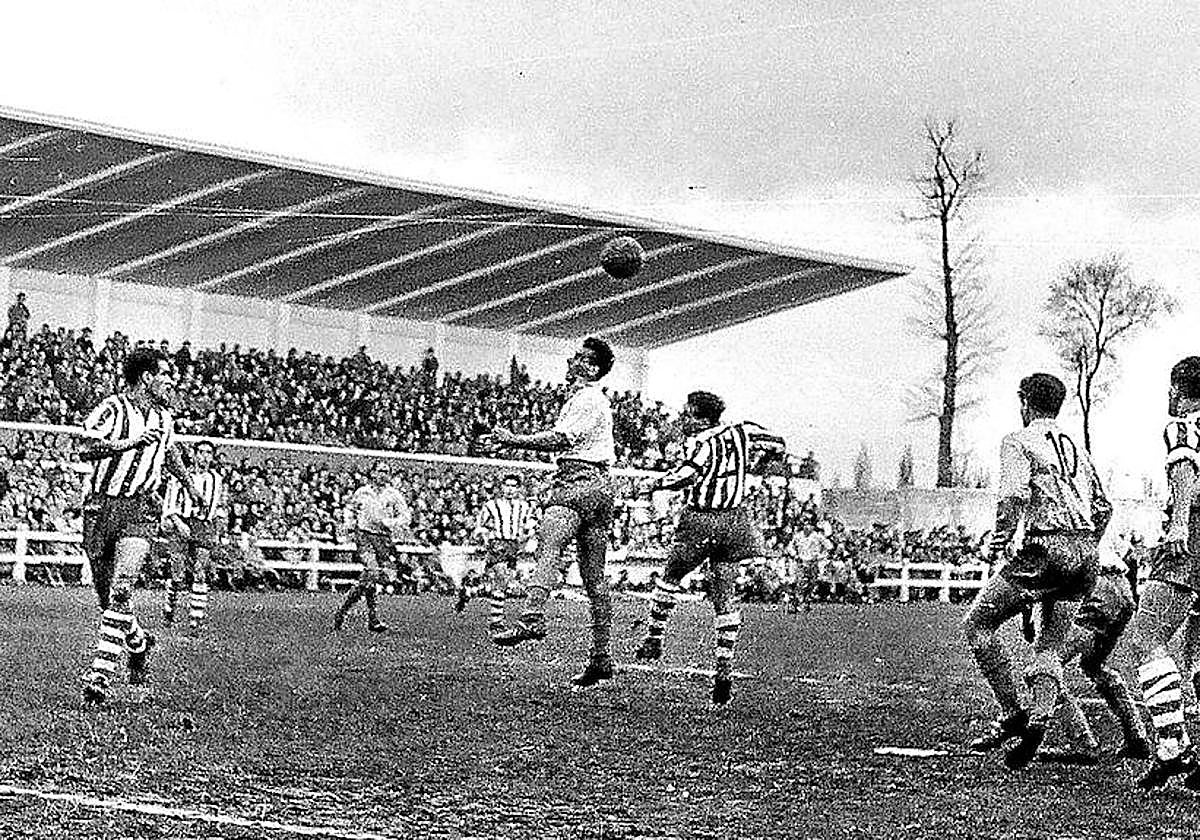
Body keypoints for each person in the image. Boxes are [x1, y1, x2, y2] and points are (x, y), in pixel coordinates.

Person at [963, 373, 1111, 769]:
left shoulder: (1018, 440)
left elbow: (1013, 494)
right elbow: (1104, 507)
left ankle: (1015, 712)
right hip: (1086, 553)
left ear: (1025, 402)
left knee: (977, 623)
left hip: (1047, 548)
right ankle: (1040, 718)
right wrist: (1085, 547)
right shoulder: (1078, 448)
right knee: (1049, 647)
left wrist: (1000, 539)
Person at [631, 390, 786, 705]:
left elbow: (686, 476)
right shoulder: (743, 430)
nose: (685, 417)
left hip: (702, 520)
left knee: (670, 576)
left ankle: (654, 637)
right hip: (736, 521)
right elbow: (778, 443)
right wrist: (761, 463)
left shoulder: (699, 442)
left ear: (700, 415)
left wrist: (654, 483)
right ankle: (724, 666)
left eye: (688, 412)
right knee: (724, 594)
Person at [483, 337, 617, 688]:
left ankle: (532, 617)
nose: (572, 360)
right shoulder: (587, 399)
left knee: (549, 543)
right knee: (594, 580)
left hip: (578, 482)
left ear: (591, 368)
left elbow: (562, 440)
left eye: (581, 357)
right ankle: (601, 657)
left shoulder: (588, 398)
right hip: (600, 488)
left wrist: (511, 439)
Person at [77, 347, 202, 705]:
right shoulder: (113, 408)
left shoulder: (164, 417)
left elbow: (169, 451)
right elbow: (85, 445)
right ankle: (139, 643)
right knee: (108, 599)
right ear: (147, 377)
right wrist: (127, 443)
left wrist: (189, 484)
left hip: (140, 511)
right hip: (101, 508)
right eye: (166, 376)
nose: (171, 383)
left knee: (122, 587)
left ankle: (99, 675)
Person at [1123, 356, 1200, 789]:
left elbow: (1186, 473)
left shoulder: (1183, 426)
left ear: (1176, 389)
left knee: (1144, 640)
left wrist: (1179, 523)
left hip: (1194, 537)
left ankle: (1173, 747)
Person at [1041, 547, 1149, 764]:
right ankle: (1136, 736)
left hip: (1096, 589)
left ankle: (1083, 744)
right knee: (1093, 666)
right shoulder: (1086, 523)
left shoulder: (1042, 529)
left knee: (1045, 667)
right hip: (1122, 587)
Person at [333, 462, 411, 633]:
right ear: (373, 473)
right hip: (364, 536)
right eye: (380, 471)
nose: (383, 474)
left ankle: (344, 611)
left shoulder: (393, 494)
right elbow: (350, 510)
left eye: (386, 471)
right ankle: (372, 618)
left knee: (372, 578)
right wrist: (349, 525)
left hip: (383, 538)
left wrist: (391, 523)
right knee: (372, 571)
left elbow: (406, 516)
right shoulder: (362, 492)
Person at [457, 474, 536, 638]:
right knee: (501, 579)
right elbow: (480, 526)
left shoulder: (524, 507)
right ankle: (496, 623)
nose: (509, 489)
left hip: (513, 546)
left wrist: (527, 535)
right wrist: (484, 537)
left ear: (518, 488)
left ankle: (470, 591)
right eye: (507, 485)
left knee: (502, 585)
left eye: (513, 486)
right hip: (497, 544)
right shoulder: (491, 505)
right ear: (502, 487)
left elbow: (530, 526)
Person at [161, 440, 223, 632]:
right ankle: (169, 609)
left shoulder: (216, 479)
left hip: (203, 526)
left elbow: (214, 508)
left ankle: (195, 621)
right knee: (177, 573)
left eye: (208, 453)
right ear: (194, 455)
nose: (204, 457)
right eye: (201, 452)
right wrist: (179, 524)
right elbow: (169, 505)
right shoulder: (180, 476)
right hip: (181, 522)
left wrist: (215, 529)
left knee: (199, 570)